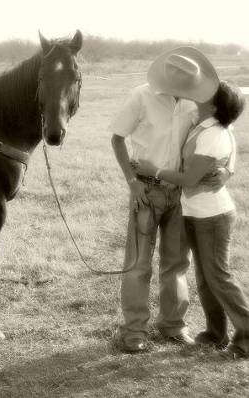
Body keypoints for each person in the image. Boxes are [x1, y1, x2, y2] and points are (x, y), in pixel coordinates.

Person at [109, 47, 229, 353]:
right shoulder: (142, 96)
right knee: (138, 264)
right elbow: (117, 138)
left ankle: (173, 325)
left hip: (182, 191)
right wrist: (132, 182)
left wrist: (227, 170)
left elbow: (223, 135)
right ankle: (133, 330)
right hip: (146, 190)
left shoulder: (197, 102)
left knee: (176, 262)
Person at [136, 74, 247, 359]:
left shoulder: (212, 133)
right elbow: (231, 138)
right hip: (197, 214)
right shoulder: (206, 124)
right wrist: (229, 169)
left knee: (218, 277)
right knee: (205, 278)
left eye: (207, 93)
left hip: (212, 216)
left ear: (214, 103)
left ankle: (247, 337)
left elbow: (189, 178)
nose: (200, 93)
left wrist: (154, 171)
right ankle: (215, 334)